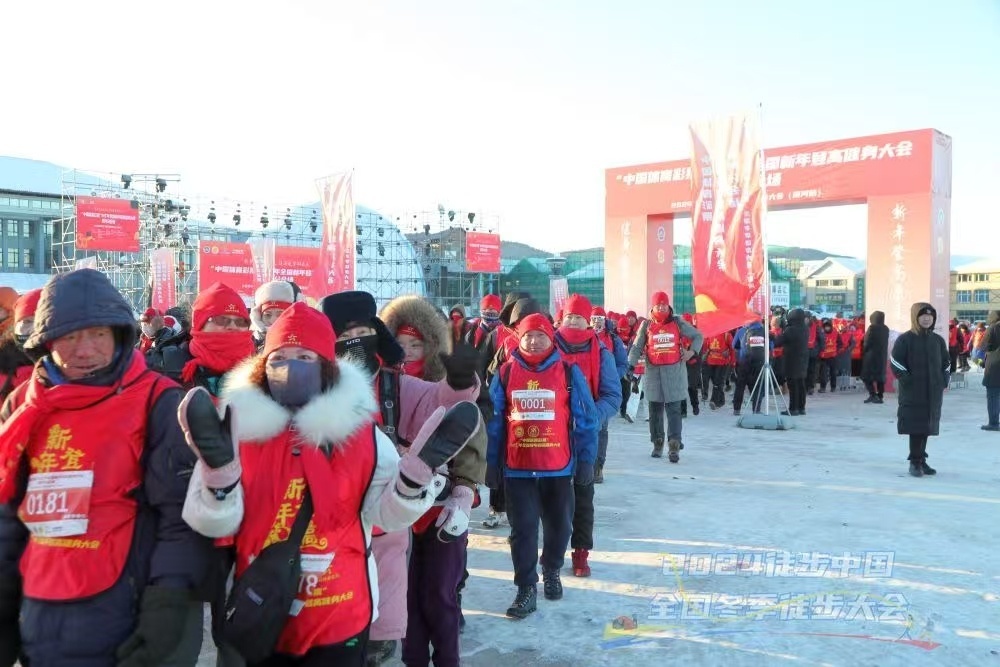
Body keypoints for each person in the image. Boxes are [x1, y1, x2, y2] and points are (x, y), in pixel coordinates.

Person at [179, 302, 480, 666]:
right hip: (260, 615)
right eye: (279, 357)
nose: (290, 367)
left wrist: (410, 486)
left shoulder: (363, 436)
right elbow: (209, 523)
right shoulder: (237, 430)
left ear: (327, 367)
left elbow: (385, 516)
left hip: (339, 619)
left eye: (304, 356)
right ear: (262, 367)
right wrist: (220, 484)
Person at [0, 268, 212, 666]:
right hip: (41, 612)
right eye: (70, 336)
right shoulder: (24, 407)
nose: (84, 350)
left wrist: (167, 606)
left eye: (97, 334)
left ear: (119, 335)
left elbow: (178, 518)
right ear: (46, 342)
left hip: (121, 613)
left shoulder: (158, 402)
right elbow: (9, 512)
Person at [316, 291, 481, 666]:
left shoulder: (395, 386)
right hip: (329, 530)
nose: (355, 340)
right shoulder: (314, 387)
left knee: (381, 637)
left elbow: (440, 404)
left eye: (362, 330)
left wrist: (458, 379)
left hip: (387, 524)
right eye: (345, 334)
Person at [378, 294, 486, 666]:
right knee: (404, 598)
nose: (408, 352)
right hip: (394, 510)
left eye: (416, 344)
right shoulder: (381, 386)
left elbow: (471, 446)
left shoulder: (446, 384)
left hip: (440, 509)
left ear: (431, 344)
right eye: (400, 344)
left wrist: (463, 491)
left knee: (440, 595)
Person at [486, 313, 598, 619]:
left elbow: (587, 420)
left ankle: (551, 570)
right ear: (518, 339)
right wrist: (492, 462)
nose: (534, 341)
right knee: (522, 531)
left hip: (558, 469)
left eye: (541, 336)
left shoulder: (567, 371)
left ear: (552, 338)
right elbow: (495, 422)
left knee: (560, 527)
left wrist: (587, 459)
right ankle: (525, 588)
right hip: (517, 469)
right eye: (527, 336)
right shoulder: (506, 373)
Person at [556, 295, 620, 577]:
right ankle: (553, 553)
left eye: (578, 318)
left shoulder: (601, 352)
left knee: (583, 494)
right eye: (569, 317)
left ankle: (581, 552)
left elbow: (612, 396)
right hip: (550, 437)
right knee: (554, 497)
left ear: (588, 321)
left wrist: (591, 418)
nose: (573, 322)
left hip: (584, 438)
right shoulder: (547, 347)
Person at [627, 292, 702, 461]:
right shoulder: (646, 325)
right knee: (655, 410)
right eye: (658, 304)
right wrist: (630, 364)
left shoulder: (677, 322)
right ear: (652, 307)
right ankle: (658, 442)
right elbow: (636, 347)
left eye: (664, 304)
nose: (661, 307)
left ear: (668, 306)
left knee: (674, 410)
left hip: (674, 373)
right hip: (653, 373)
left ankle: (674, 445)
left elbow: (698, 335)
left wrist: (692, 352)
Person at [146, 283, 257, 396]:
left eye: (241, 322)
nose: (233, 326)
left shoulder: (262, 369)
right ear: (199, 324)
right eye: (221, 320)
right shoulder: (163, 365)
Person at [890, 303, 949, 477]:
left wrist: (944, 380)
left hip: (933, 391)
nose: (926, 319)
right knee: (916, 427)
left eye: (930, 316)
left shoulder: (938, 340)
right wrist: (906, 379)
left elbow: (947, 363)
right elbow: (895, 361)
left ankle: (922, 460)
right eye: (923, 315)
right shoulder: (905, 339)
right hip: (913, 392)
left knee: (927, 426)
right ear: (915, 317)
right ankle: (914, 463)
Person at [0, 289, 39, 403]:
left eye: (37, 322)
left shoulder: (67, 366)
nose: (31, 329)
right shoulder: (4, 360)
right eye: (26, 322)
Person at [775, 309, 810, 416]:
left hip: (792, 361)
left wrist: (773, 335)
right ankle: (801, 408)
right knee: (801, 384)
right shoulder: (805, 329)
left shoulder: (791, 330)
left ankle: (793, 408)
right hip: (803, 360)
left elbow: (778, 341)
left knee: (793, 385)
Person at [249, 280, 303, 351]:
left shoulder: (305, 345)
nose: (273, 321)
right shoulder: (249, 344)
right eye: (267, 315)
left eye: (280, 314)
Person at [732, 318, 768, 415]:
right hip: (759, 363)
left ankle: (736, 409)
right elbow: (771, 346)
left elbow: (733, 345)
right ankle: (756, 409)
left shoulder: (741, 331)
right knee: (757, 386)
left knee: (740, 386)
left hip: (744, 362)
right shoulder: (764, 331)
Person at [861, 311, 890, 404]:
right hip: (882, 356)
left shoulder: (872, 328)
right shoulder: (886, 329)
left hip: (871, 356)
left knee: (866, 376)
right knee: (880, 377)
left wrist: (864, 351)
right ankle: (880, 396)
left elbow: (867, 342)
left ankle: (872, 394)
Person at [981, 311, 1000, 431]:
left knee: (993, 396)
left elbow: (985, 346)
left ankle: (993, 423)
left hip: (994, 365)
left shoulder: (993, 328)